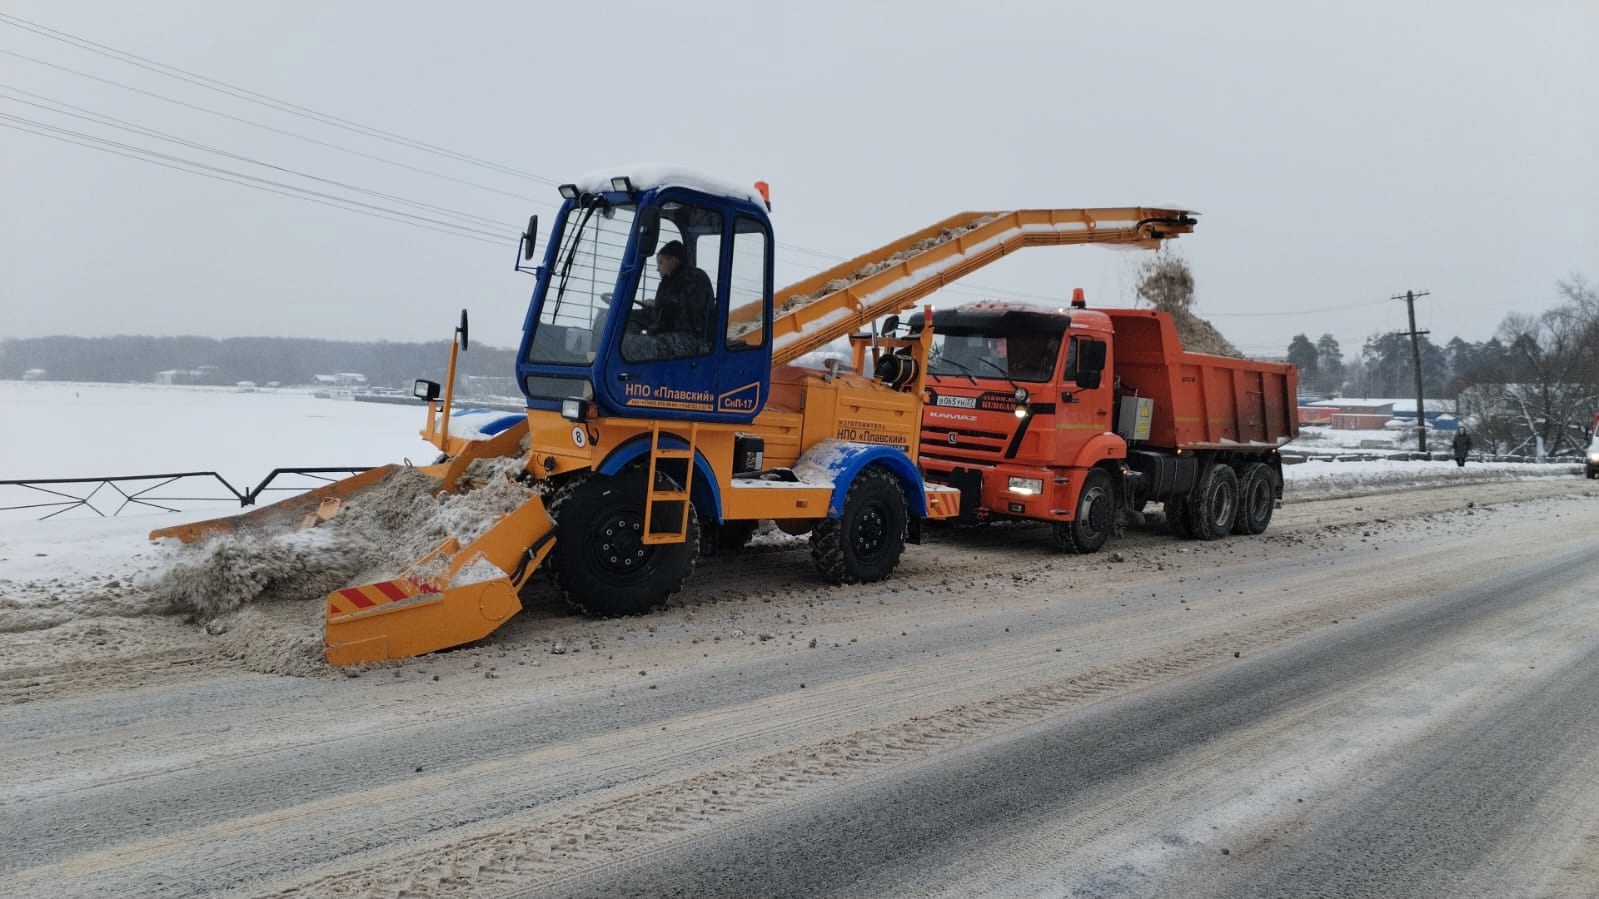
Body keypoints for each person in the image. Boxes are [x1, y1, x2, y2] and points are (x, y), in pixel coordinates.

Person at [641, 239, 714, 357]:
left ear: (673, 260)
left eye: (660, 262)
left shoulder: (694, 278)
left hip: (691, 341)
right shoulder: (671, 280)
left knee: (631, 345)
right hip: (675, 335)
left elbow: (679, 311)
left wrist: (657, 305)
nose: (658, 268)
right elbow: (668, 308)